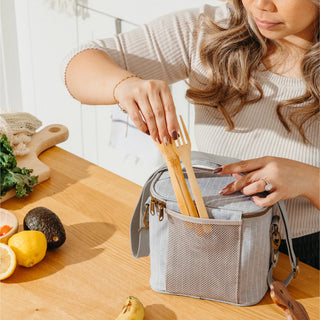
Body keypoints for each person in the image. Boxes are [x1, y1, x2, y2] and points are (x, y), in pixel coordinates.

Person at [63, 0, 320, 269]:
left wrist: (311, 180)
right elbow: (77, 63)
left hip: (306, 255)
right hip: (208, 235)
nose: (260, 4)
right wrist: (124, 85)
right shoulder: (211, 29)